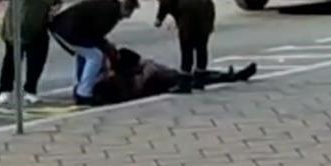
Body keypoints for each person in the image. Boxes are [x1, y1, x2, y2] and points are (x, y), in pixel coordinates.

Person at [49, 0, 139, 105]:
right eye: (130, 13)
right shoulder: (110, 13)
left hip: (63, 28)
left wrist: (106, 45)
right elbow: (96, 34)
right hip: (69, 31)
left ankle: (80, 86)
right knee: (95, 56)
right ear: (125, 8)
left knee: (87, 53)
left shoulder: (109, 7)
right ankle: (84, 93)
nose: (128, 17)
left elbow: (95, 34)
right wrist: (107, 48)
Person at [92, 48, 257, 105]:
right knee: (199, 78)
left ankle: (231, 75)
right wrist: (147, 67)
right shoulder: (127, 81)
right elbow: (143, 82)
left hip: (168, 78)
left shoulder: (121, 74)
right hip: (168, 82)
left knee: (199, 76)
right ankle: (233, 76)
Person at [148, 0, 216, 89]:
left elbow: (166, 2)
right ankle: (200, 78)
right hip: (206, 7)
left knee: (186, 46)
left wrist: (159, 19)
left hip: (189, 11)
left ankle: (185, 81)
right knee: (201, 45)